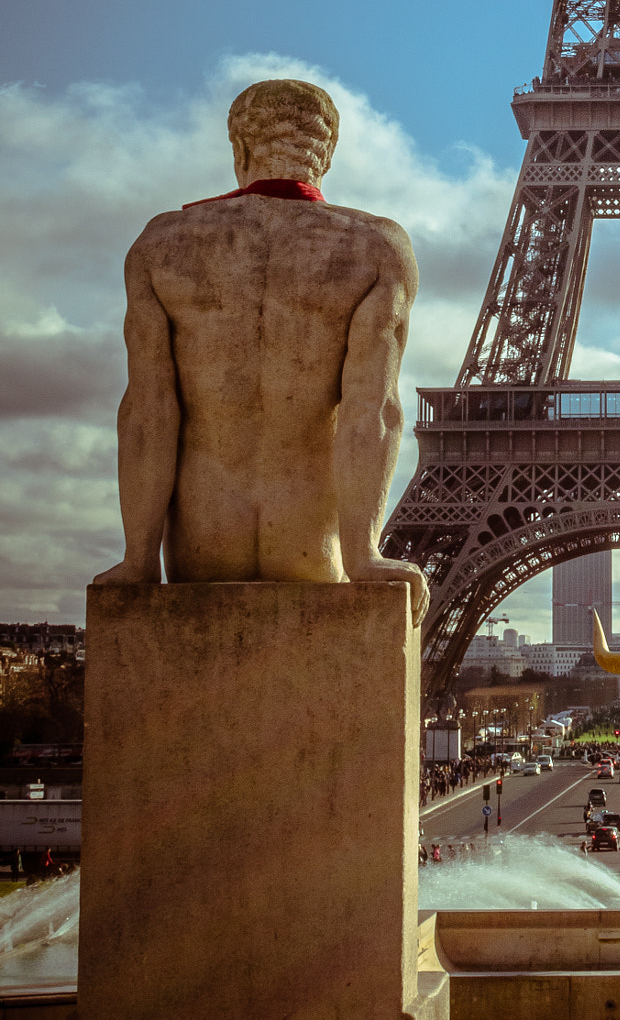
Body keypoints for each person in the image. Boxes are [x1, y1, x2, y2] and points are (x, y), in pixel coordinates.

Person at [93, 79, 429, 622]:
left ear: (240, 148)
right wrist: (363, 555)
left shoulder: (160, 245)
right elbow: (374, 413)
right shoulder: (376, 247)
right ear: (327, 151)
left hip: (203, 542)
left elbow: (147, 413)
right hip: (311, 547)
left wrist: (137, 559)